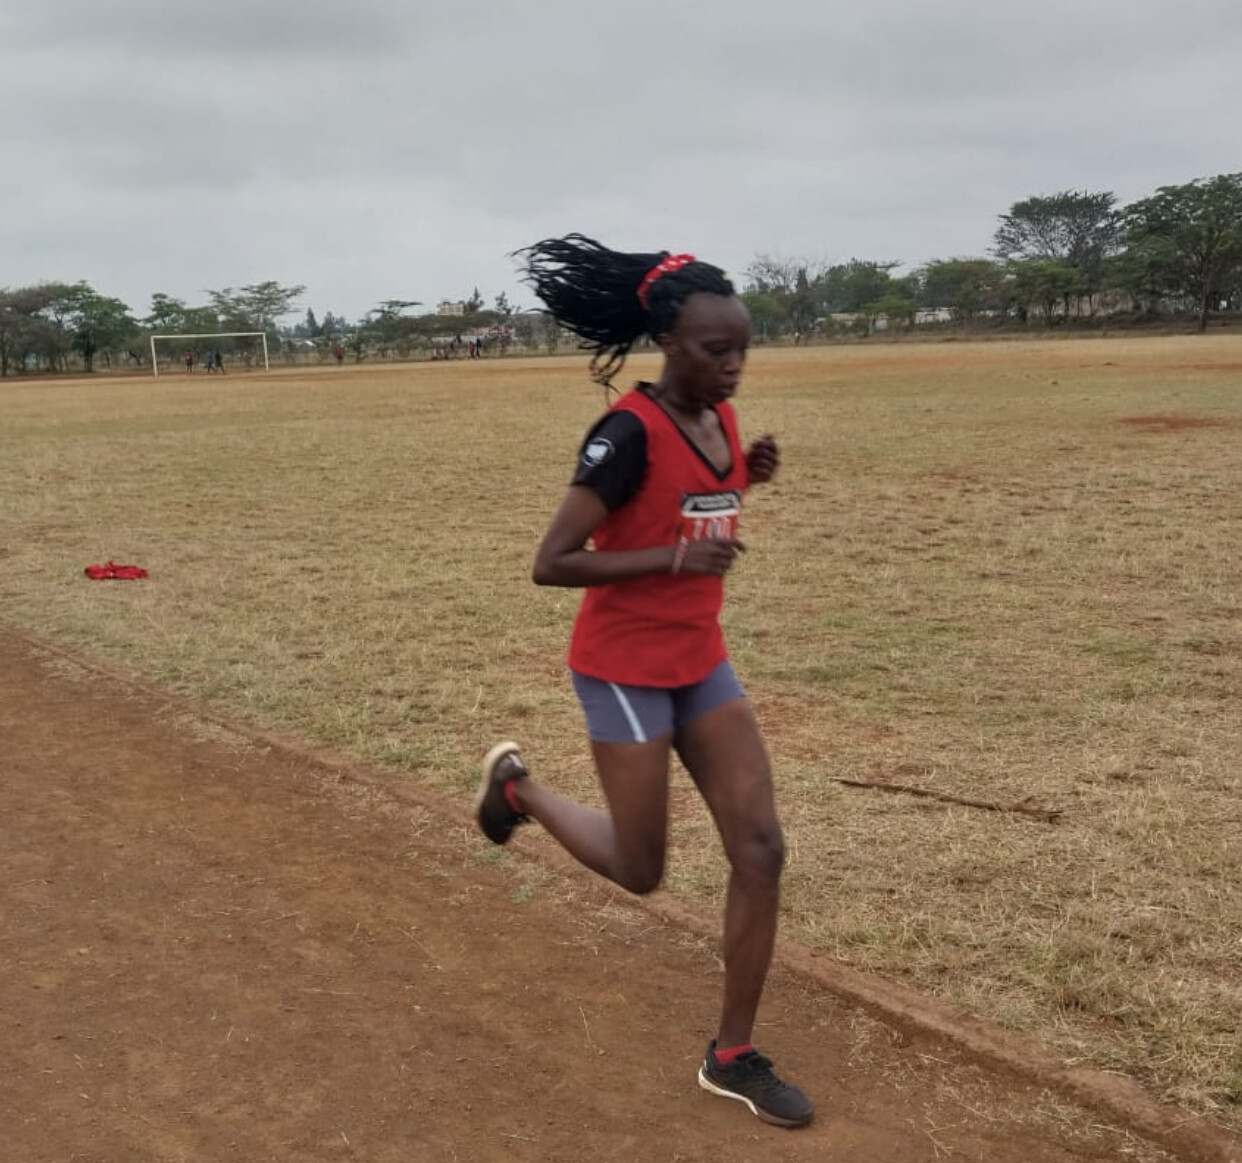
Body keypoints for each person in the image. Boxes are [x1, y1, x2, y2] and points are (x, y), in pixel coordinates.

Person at [475, 234, 812, 1128]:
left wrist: (745, 476)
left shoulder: (721, 420)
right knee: (640, 867)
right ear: (668, 340)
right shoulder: (623, 433)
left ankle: (732, 1055)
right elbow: (552, 562)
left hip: (700, 659)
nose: (733, 367)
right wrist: (672, 557)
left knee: (761, 849)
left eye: (742, 350)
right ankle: (517, 790)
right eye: (715, 350)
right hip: (624, 669)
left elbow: (693, 501)